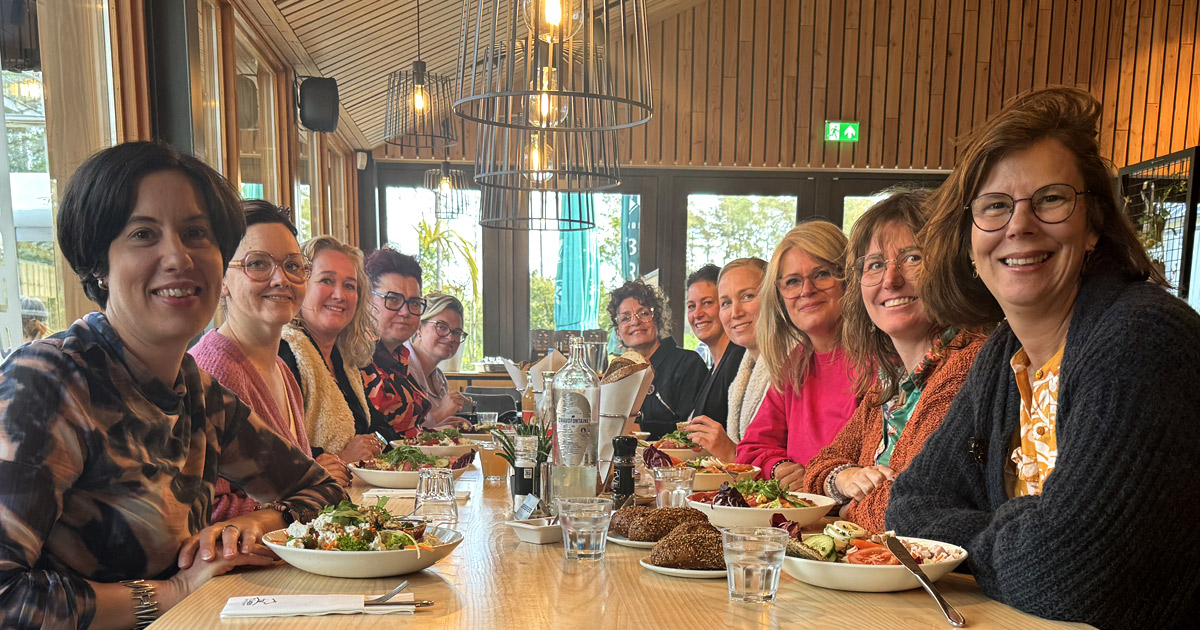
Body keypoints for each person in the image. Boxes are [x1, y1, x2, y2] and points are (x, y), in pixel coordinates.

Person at [887, 87, 1200, 628]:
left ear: (1093, 224)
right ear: (967, 241)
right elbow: (910, 507)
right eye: (994, 206)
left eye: (1051, 199)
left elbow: (1069, 571)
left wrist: (988, 537)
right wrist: (1024, 527)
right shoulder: (1003, 354)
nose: (1020, 225)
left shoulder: (1143, 338)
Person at [0, 141, 343, 629]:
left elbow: (321, 488)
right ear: (99, 261)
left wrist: (253, 524)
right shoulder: (50, 382)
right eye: (143, 234)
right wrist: (174, 591)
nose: (178, 257)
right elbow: (5, 596)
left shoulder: (196, 391)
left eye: (196, 233)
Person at [800, 190, 985, 532]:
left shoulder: (970, 363)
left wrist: (843, 511)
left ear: (950, 264)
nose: (890, 280)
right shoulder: (891, 384)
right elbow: (815, 470)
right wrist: (844, 478)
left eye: (912, 258)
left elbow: (906, 511)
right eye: (874, 265)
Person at [190, 201, 351, 522]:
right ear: (221, 279)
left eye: (293, 265)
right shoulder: (213, 370)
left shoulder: (281, 370)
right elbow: (206, 511)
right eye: (258, 264)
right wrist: (292, 510)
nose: (281, 279)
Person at [735, 220, 857, 489]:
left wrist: (815, 480)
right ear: (779, 296)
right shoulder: (796, 362)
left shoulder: (878, 360)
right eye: (792, 282)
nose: (806, 290)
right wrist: (779, 468)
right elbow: (752, 447)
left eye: (822, 274)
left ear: (848, 279)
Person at [279, 235, 391, 462]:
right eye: (326, 281)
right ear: (300, 285)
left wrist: (375, 442)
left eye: (350, 285)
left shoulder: (344, 362)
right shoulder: (284, 353)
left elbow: (385, 431)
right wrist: (341, 458)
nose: (340, 295)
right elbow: (280, 451)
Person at [362, 247, 466, 437]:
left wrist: (429, 433)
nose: (405, 312)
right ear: (366, 301)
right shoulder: (355, 359)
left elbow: (405, 436)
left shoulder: (398, 359)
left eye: (414, 303)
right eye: (393, 300)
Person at [683, 258, 768, 462]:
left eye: (708, 303)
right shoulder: (737, 367)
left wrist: (732, 453)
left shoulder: (738, 358)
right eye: (727, 303)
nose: (736, 312)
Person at [606, 279, 708, 440]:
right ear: (618, 333)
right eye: (625, 318)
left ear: (657, 321)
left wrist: (640, 429)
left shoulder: (689, 363)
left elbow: (690, 426)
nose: (635, 321)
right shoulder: (621, 376)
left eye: (644, 313)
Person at [686, 264, 746, 430]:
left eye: (707, 303)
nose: (697, 314)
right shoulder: (714, 366)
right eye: (691, 306)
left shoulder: (739, 358)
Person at [407, 291, 473, 425]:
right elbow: (397, 434)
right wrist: (440, 414)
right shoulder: (398, 369)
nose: (450, 337)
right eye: (442, 327)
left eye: (456, 332)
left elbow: (433, 432)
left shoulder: (439, 380)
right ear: (419, 327)